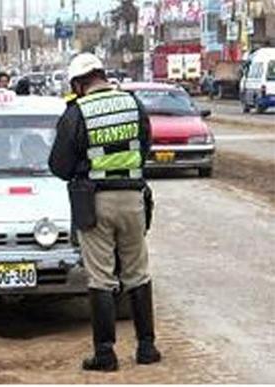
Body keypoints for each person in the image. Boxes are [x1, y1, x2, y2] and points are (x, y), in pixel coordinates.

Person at [48, 53, 161, 372]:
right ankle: (147, 347)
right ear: (102, 74)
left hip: (94, 202)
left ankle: (105, 354)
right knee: (138, 271)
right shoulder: (132, 103)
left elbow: (59, 165)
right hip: (133, 199)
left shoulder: (76, 112)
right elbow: (146, 145)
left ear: (78, 83)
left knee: (101, 276)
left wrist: (85, 167)